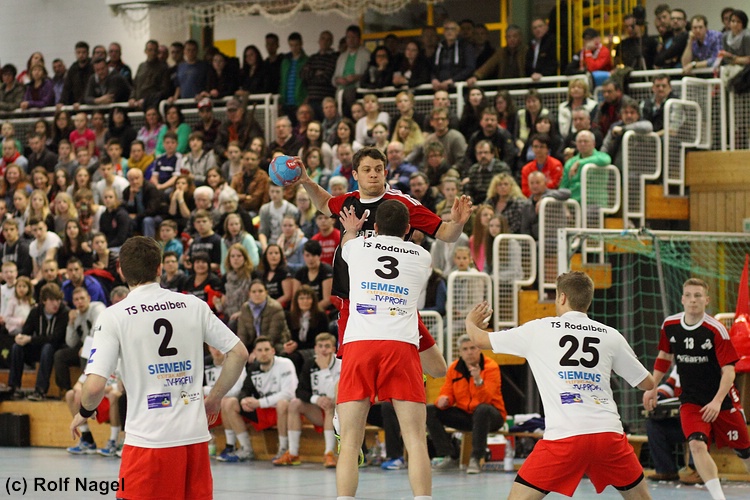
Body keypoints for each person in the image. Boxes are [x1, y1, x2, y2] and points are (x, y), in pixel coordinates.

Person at [69, 236, 248, 499]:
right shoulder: (193, 305)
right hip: (195, 440)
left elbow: (94, 386)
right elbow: (239, 353)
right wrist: (214, 398)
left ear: (121, 271)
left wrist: (84, 411)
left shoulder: (114, 315)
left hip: (148, 442)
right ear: (159, 268)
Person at [465, 271, 655, 499]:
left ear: (562, 297)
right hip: (608, 434)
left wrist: (470, 322)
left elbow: (479, 339)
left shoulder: (539, 329)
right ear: (588, 300)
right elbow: (647, 383)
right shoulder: (611, 335)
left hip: (565, 436)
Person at [336, 199, 433, 500]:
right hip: (401, 345)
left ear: (375, 227)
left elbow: (347, 243)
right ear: (408, 228)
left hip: (360, 343)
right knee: (415, 439)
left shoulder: (357, 247)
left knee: (350, 440)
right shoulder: (423, 256)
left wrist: (351, 230)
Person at [643, 278, 750, 500]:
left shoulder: (716, 329)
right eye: (689, 295)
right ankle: (719, 498)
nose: (693, 300)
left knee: (744, 451)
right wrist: (652, 388)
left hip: (722, 400)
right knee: (696, 444)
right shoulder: (670, 325)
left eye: (698, 296)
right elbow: (664, 357)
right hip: (691, 401)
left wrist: (717, 402)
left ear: (706, 300)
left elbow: (729, 372)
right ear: (682, 299)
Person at [426, 334, 506, 474]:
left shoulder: (491, 367)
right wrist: (443, 401)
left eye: (472, 348)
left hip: (492, 415)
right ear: (460, 352)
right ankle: (450, 455)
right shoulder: (454, 368)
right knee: (430, 410)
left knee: (482, 409)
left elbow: (487, 398)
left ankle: (476, 458)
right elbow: (447, 392)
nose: (469, 352)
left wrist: (478, 380)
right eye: (465, 349)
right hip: (466, 415)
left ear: (479, 349)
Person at [217, 335, 297, 463]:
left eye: (266, 349)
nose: (263, 353)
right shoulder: (254, 368)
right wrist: (243, 400)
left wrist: (259, 402)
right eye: (259, 350)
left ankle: (283, 448)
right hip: (263, 410)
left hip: (283, 410)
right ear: (254, 353)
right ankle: (246, 449)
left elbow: (288, 393)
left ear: (273, 351)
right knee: (229, 402)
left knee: (283, 403)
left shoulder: (285, 364)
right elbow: (245, 390)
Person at [274, 332, 340, 467]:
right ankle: (293, 453)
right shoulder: (310, 363)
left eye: (327, 346)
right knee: (294, 404)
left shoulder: (341, 364)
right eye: (320, 346)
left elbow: (334, 393)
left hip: (338, 411)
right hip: (318, 410)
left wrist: (324, 369)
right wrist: (316, 399)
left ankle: (329, 454)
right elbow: (300, 391)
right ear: (315, 348)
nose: (323, 350)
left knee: (329, 405)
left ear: (334, 349)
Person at [8, 282, 68, 401]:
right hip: (38, 347)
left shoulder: (64, 312)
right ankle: (14, 387)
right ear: (44, 301)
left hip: (55, 349)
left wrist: (30, 339)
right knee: (17, 347)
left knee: (47, 347)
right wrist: (20, 337)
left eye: (58, 300)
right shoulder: (36, 311)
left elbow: (55, 338)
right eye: (52, 300)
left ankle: (40, 390)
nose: (56, 303)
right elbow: (26, 332)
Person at [53, 287, 106, 396]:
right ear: (73, 302)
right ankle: (67, 390)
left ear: (89, 298)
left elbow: (97, 331)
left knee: (85, 352)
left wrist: (87, 346)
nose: (80, 302)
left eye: (82, 298)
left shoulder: (97, 307)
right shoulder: (75, 315)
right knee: (60, 355)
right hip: (84, 347)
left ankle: (86, 390)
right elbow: (71, 343)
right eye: (76, 300)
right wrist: (71, 323)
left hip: (101, 346)